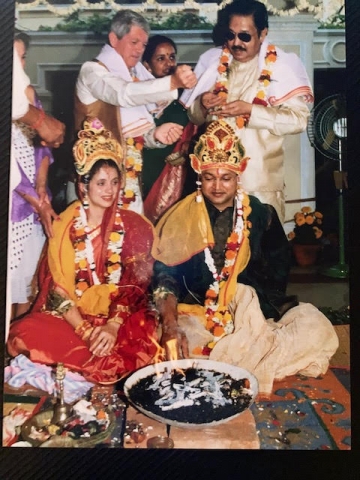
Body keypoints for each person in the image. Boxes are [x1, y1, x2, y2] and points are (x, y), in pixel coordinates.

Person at [151, 120, 338, 395]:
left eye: (225, 177)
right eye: (209, 177)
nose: (217, 186)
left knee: (316, 328)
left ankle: (239, 354)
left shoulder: (261, 214)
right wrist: (170, 323)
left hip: (251, 314)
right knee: (166, 341)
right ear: (197, 174)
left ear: (240, 174)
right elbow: (164, 275)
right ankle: (238, 359)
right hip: (197, 313)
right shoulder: (181, 217)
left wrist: (258, 310)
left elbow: (278, 267)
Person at [7, 118, 160, 385]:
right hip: (73, 320)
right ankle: (92, 359)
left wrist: (111, 326)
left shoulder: (135, 225)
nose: (110, 190)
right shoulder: (63, 226)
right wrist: (86, 331)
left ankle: (89, 361)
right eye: (101, 183)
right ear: (83, 186)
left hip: (119, 318)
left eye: (114, 182)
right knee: (22, 332)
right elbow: (57, 291)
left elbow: (135, 285)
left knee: (148, 335)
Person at [180, 0, 314, 223]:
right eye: (230, 35)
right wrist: (202, 104)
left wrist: (251, 112)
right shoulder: (213, 62)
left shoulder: (281, 66)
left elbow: (298, 120)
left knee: (259, 253)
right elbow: (193, 116)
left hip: (258, 184)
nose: (235, 43)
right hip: (215, 185)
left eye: (244, 36)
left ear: (263, 33)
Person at [75, 10, 197, 214]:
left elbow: (132, 137)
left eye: (143, 44)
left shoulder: (133, 75)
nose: (140, 50)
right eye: (134, 42)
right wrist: (173, 82)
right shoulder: (92, 72)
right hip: (93, 184)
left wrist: (154, 136)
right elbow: (124, 93)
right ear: (114, 39)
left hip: (127, 179)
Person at [10, 32, 59, 323]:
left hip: (34, 201)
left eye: (23, 57)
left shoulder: (29, 95)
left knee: (29, 284)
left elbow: (44, 148)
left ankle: (15, 352)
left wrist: (41, 189)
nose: (20, 64)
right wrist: (34, 199)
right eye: (14, 57)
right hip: (14, 204)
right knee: (11, 281)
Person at [141, 34, 197, 223]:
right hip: (147, 170)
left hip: (179, 174)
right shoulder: (138, 95)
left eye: (172, 57)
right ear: (147, 64)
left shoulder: (186, 96)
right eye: (161, 58)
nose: (169, 64)